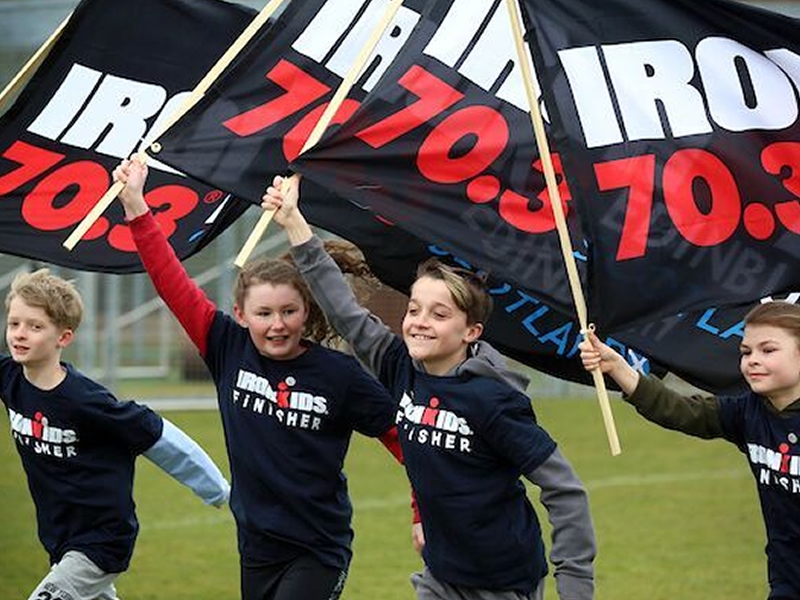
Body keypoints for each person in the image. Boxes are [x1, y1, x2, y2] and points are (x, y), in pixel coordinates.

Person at [262, 174, 596, 600]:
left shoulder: (494, 401)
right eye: (415, 308)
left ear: (471, 331)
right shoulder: (399, 365)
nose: (419, 321)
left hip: (503, 584)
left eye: (439, 314)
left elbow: (565, 490)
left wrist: (575, 588)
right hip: (440, 575)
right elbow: (345, 312)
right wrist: (295, 225)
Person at [113, 156, 406, 600]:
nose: (277, 325)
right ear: (241, 315)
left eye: (289, 312)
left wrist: (429, 509)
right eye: (264, 313)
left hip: (318, 549)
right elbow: (172, 281)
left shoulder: (338, 375)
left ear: (307, 312)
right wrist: (135, 204)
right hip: (255, 546)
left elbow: (404, 437)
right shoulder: (227, 345)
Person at [2, 268, 230, 600]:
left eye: (35, 326)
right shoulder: (9, 378)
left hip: (100, 542)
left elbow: (160, 436)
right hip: (60, 539)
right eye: (14, 323)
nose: (20, 334)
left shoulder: (86, 402)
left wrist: (220, 491)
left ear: (63, 337)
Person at [579, 302, 800, 600]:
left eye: (768, 350)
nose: (753, 360)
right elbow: (682, 411)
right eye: (746, 352)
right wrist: (618, 367)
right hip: (787, 579)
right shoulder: (748, 411)